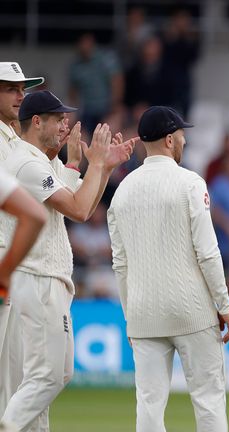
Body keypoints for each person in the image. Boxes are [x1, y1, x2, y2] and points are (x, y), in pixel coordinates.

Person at [0, 90, 134, 431]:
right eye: (58, 119)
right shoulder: (27, 162)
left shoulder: (45, 162)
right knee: (50, 375)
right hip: (38, 278)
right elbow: (77, 208)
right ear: (36, 122)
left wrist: (101, 170)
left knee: (39, 378)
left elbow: (83, 207)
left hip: (45, 278)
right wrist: (98, 164)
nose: (65, 125)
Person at [108, 106, 229, 432]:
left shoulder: (122, 192)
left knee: (148, 404)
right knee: (208, 400)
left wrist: (129, 315)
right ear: (168, 139)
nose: (184, 139)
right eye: (181, 134)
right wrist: (223, 305)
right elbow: (207, 252)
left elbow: (120, 265)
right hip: (191, 310)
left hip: (144, 313)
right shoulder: (190, 182)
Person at [0, 61, 46, 422]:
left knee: (13, 375)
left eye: (22, 89)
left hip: (11, 266)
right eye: (10, 89)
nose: (20, 96)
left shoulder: (12, 138)